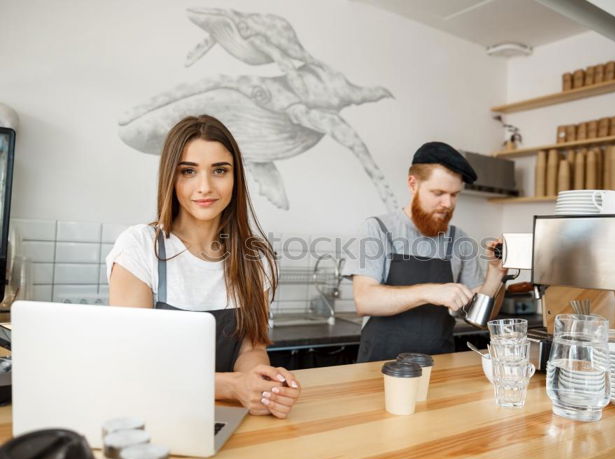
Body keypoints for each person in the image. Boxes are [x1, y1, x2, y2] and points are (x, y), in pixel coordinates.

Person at [107, 114, 300, 418]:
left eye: (219, 170)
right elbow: (133, 364)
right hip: (155, 413)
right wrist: (233, 386)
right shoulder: (138, 248)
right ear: (171, 177)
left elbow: (251, 348)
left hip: (226, 416)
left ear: (236, 178)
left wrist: (262, 383)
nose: (205, 187)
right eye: (188, 171)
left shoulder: (255, 258)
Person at [346, 141, 508, 362]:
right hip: (380, 366)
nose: (447, 203)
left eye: (454, 195)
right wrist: (430, 292)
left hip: (439, 367)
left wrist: (495, 275)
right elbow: (364, 300)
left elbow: (480, 316)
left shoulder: (458, 239)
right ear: (413, 184)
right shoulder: (378, 229)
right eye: (438, 192)